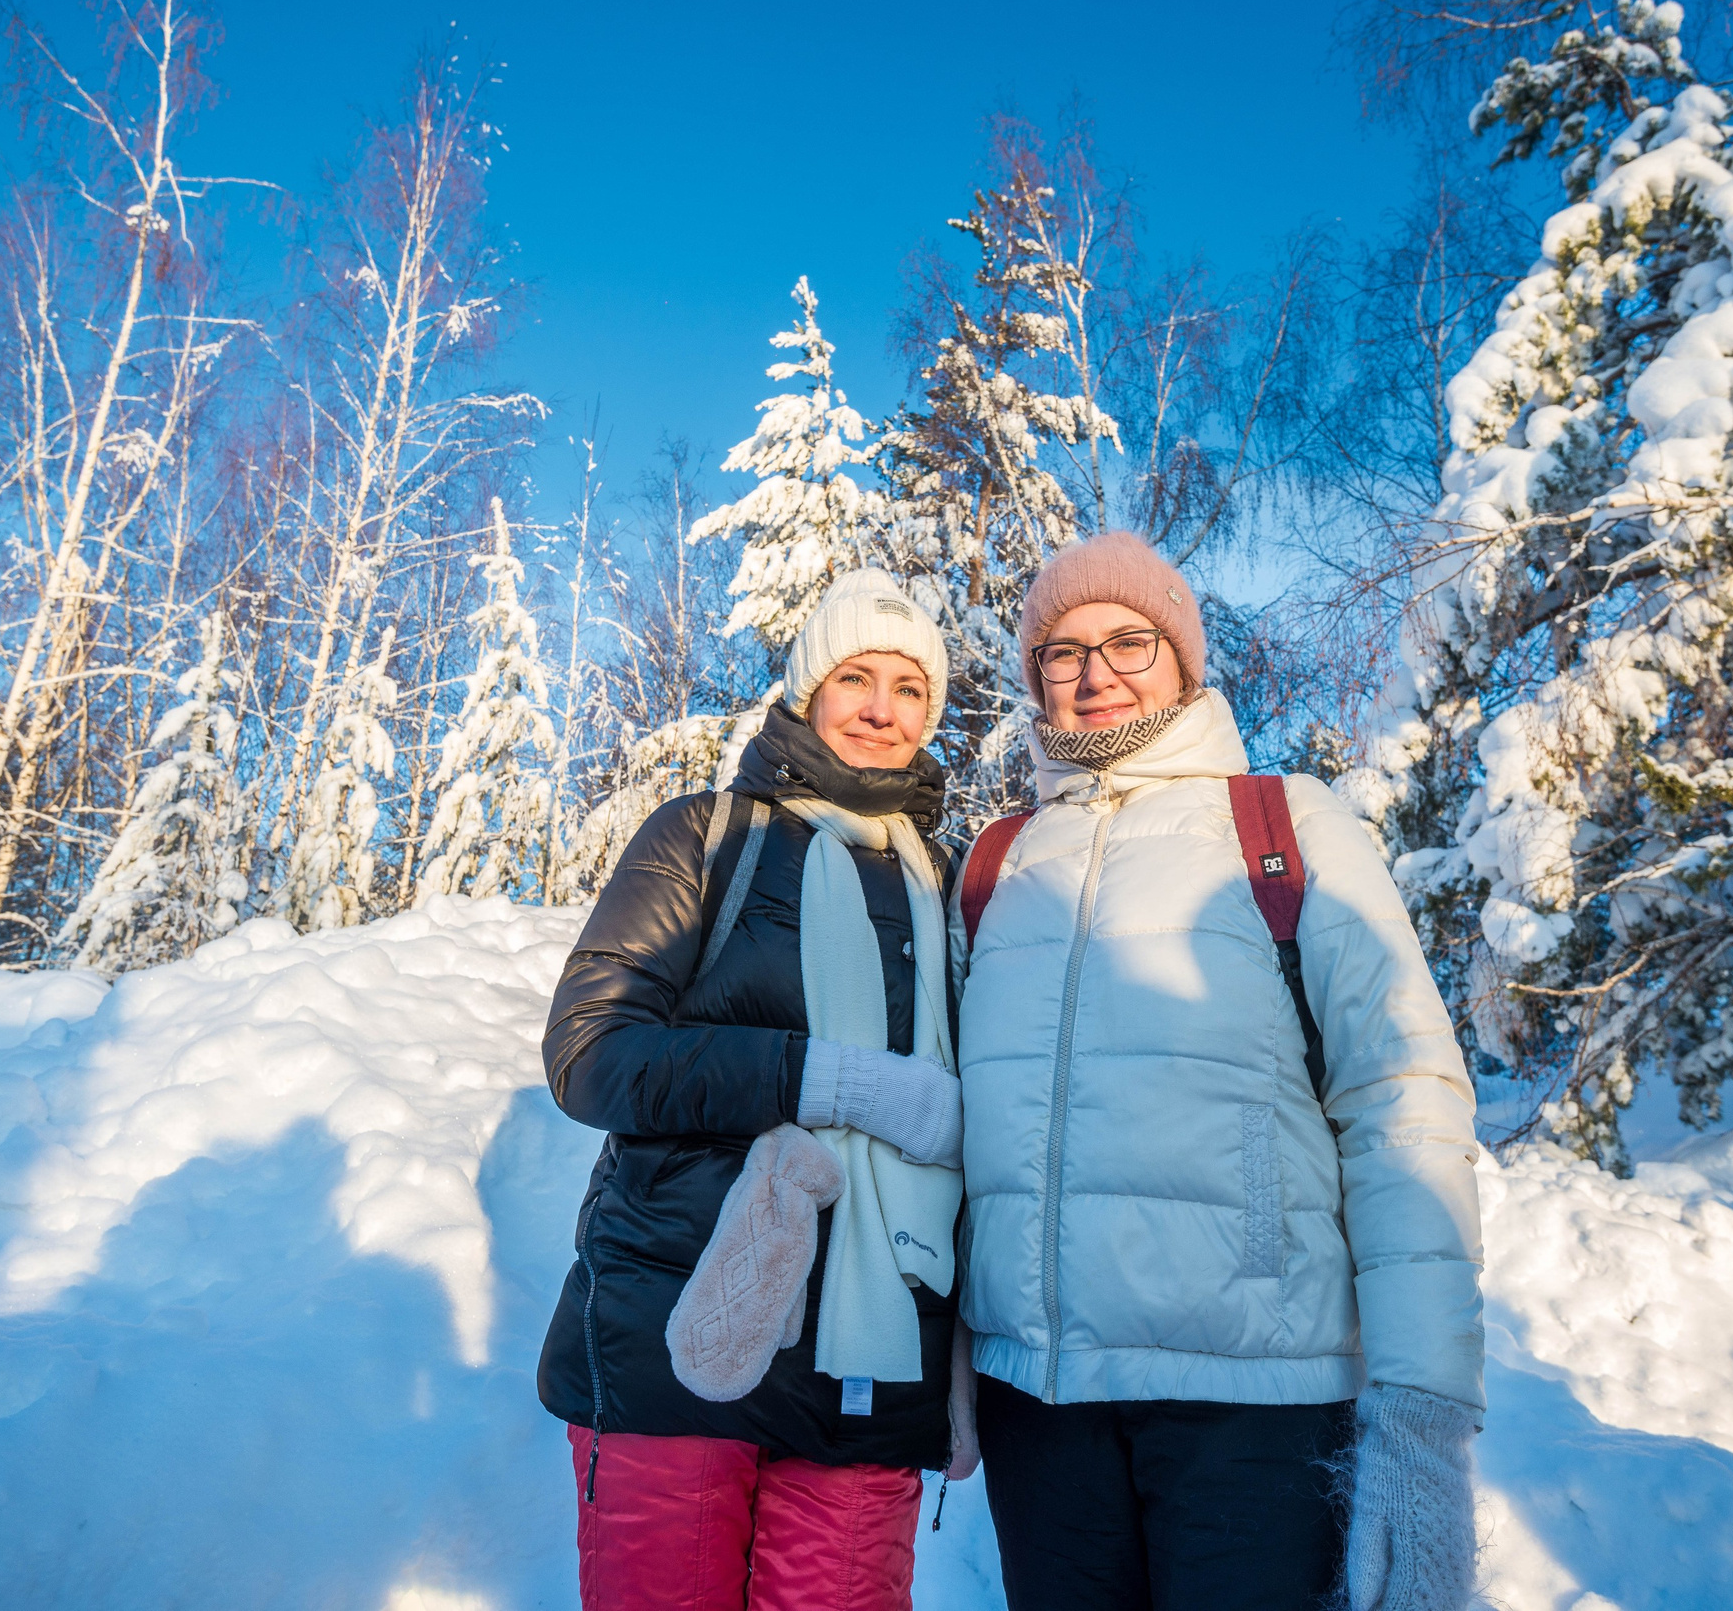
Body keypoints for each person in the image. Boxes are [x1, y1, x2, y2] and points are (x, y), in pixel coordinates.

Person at [952, 531, 1485, 1611]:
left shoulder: (1284, 830)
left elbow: (1403, 1104)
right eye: (1061, 650)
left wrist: (1422, 1407)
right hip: (1037, 1405)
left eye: (1127, 639)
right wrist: (948, 1349)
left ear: (1183, 658)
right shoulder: (996, 862)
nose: (1095, 672)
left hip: (1257, 1400)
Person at [536, 568, 976, 1611]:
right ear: (806, 690)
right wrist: (826, 1079)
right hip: (680, 1331)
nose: (881, 706)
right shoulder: (708, 837)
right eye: (855, 677)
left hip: (877, 1356)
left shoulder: (948, 885)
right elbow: (591, 1051)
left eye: (910, 686)